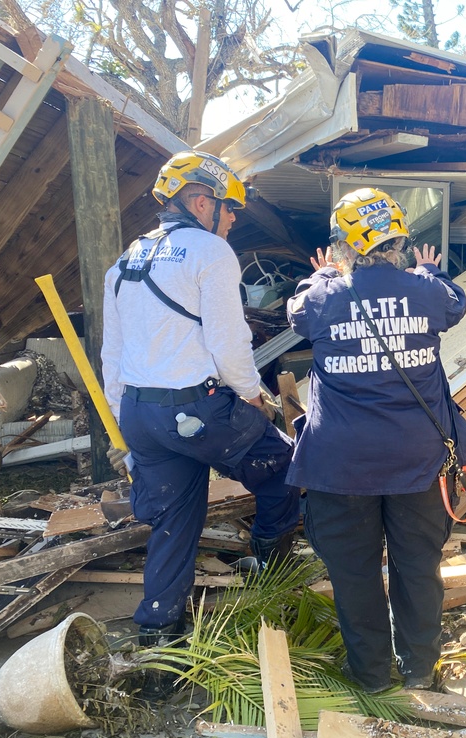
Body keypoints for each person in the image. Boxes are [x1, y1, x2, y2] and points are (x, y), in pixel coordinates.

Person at [101, 151, 301, 657]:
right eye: (228, 207)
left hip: (141, 413)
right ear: (198, 200)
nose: (233, 217)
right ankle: (271, 573)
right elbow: (229, 342)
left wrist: (124, 429)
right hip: (197, 410)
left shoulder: (125, 260)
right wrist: (256, 397)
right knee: (286, 468)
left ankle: (159, 635)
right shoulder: (210, 252)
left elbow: (113, 353)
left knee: (174, 517)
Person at [286, 187, 466, 693]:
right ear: (399, 239)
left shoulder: (323, 296)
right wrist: (429, 271)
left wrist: (326, 272)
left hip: (340, 467)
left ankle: (372, 677)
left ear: (344, 245)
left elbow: (297, 314)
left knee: (355, 574)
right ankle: (419, 669)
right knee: (418, 566)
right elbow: (456, 304)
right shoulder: (427, 291)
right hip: (417, 463)